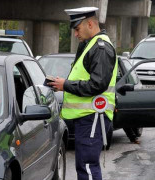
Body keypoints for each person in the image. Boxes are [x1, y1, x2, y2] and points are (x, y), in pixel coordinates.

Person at [48, 7, 118, 180]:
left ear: (90, 24)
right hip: (87, 117)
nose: (75, 34)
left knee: (87, 165)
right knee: (84, 165)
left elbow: (97, 84)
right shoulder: (90, 46)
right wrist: (63, 84)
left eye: (77, 29)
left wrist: (66, 85)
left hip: (94, 115)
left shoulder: (100, 48)